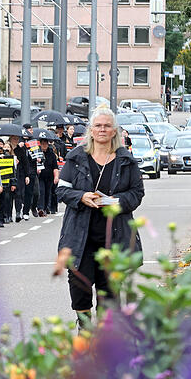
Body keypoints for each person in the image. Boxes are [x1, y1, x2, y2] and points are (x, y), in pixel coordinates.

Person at [55, 106, 144, 328]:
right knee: (79, 286)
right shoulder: (75, 158)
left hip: (114, 238)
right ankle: (84, 328)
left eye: (107, 126)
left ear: (114, 131)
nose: (102, 130)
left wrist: (117, 202)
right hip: (80, 237)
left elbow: (137, 193)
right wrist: (81, 196)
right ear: (91, 130)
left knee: (110, 293)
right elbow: (62, 190)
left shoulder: (126, 160)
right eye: (98, 126)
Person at [38, 138, 58, 215]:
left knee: (48, 192)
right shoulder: (37, 153)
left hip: (49, 177)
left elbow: (55, 167)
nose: (44, 145)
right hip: (40, 176)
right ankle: (40, 208)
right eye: (42, 144)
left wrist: (56, 177)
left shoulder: (51, 154)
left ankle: (46, 208)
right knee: (41, 191)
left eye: (46, 144)